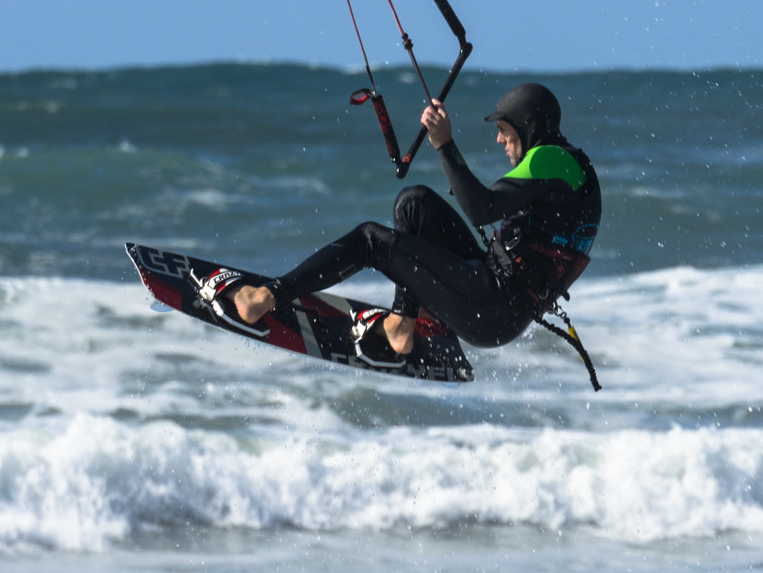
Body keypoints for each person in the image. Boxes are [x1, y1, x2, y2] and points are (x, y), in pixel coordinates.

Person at [211, 82, 601, 367]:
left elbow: (482, 208)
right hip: (493, 288)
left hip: (494, 308)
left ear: (527, 126)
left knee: (370, 240)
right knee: (414, 204)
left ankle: (265, 298)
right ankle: (402, 326)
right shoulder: (568, 168)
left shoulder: (552, 158)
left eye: (504, 129)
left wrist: (445, 145)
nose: (499, 139)